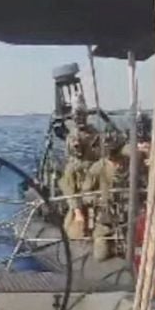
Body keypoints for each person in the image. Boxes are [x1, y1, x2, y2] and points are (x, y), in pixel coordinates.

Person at [59, 93, 100, 238]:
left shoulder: (95, 133)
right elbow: (75, 150)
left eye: (82, 114)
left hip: (94, 184)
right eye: (77, 115)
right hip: (79, 187)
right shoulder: (73, 136)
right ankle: (77, 217)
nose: (80, 118)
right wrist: (77, 210)